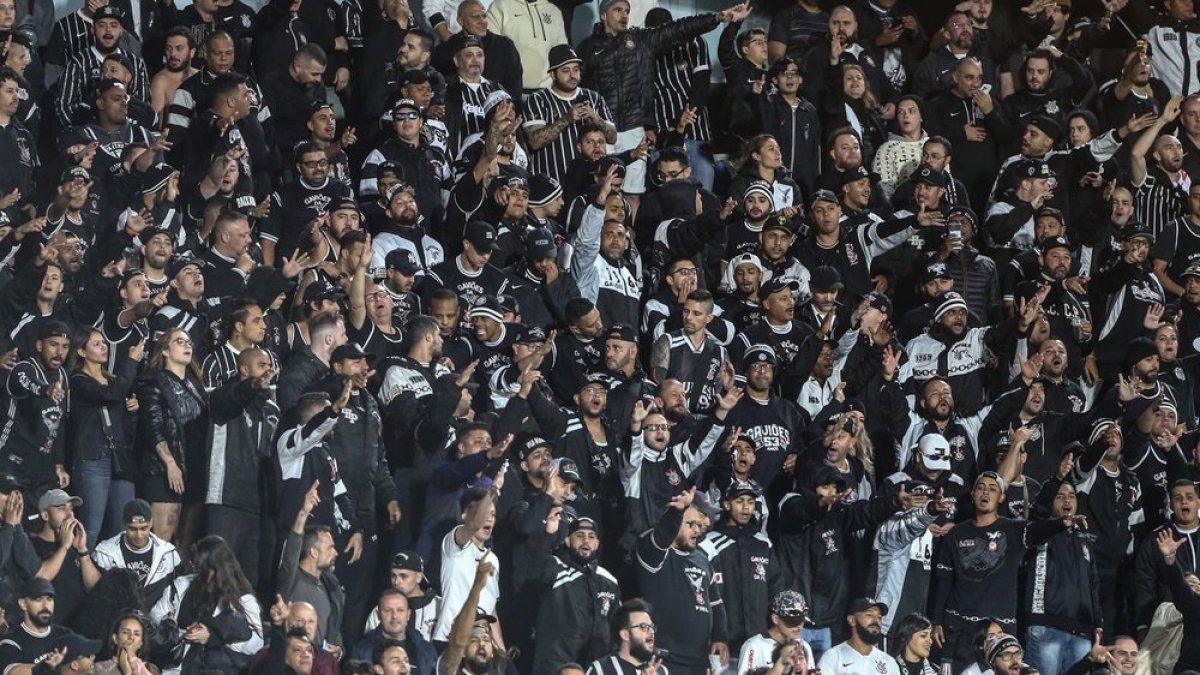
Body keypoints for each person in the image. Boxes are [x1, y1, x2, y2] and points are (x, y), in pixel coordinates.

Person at [91, 499, 180, 606]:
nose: (139, 535)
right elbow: (96, 595)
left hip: (157, 618)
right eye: (133, 529)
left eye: (144, 528)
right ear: (123, 525)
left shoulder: (168, 553)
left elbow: (178, 591)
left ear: (151, 523)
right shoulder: (104, 553)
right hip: (117, 617)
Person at [816, 598, 899, 675]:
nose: (876, 621)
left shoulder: (889, 662)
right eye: (869, 615)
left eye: (879, 617)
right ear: (852, 620)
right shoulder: (833, 656)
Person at [585, 599, 663, 675]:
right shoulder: (600, 670)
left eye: (651, 626)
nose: (651, 631)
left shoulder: (661, 671)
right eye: (643, 626)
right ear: (625, 635)